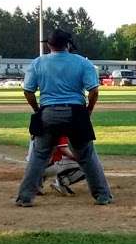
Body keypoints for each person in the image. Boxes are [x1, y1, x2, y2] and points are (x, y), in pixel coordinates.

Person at [14, 29, 113, 207]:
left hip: (48, 112)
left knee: (39, 156)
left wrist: (38, 110)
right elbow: (94, 91)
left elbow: (28, 91)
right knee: (87, 155)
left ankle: (25, 197)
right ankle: (102, 195)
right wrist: (88, 110)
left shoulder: (38, 63)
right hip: (76, 112)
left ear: (49, 45)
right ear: (68, 44)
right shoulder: (83, 63)